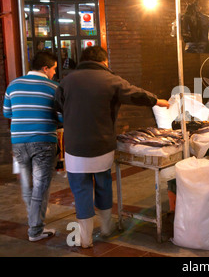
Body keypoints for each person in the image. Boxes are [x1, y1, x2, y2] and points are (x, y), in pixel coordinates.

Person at [55, 46, 170, 248]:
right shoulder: (111, 79)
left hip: (74, 147)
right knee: (103, 184)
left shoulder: (67, 81)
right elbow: (134, 94)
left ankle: (85, 239)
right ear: (103, 61)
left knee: (81, 189)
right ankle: (107, 228)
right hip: (102, 144)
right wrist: (156, 101)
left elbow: (57, 105)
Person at [3, 51, 62, 242]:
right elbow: (61, 117)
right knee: (40, 186)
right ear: (45, 68)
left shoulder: (13, 85)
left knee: (28, 184)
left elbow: (7, 113)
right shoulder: (54, 87)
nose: (54, 73)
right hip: (44, 140)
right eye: (53, 69)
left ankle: (34, 219)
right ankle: (35, 229)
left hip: (19, 141)